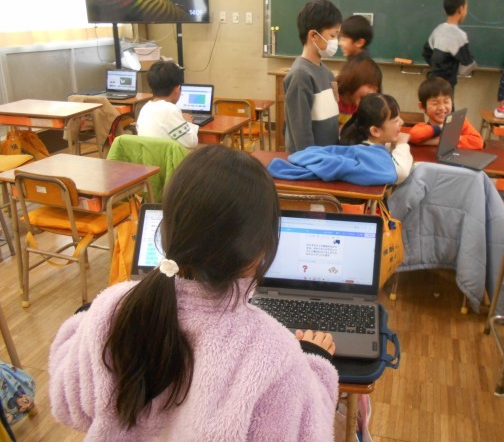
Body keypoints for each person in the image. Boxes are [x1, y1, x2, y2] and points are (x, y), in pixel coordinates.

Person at [49, 145, 339, 440]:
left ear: (168, 228)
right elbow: (310, 434)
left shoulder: (112, 309)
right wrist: (316, 364)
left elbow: (68, 406)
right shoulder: (274, 354)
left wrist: (86, 321)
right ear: (260, 250)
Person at [284, 0, 342, 153]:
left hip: (328, 157)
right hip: (312, 161)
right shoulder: (300, 75)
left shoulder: (327, 73)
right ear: (314, 35)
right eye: (332, 35)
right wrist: (312, 161)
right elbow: (301, 133)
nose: (336, 42)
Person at [340, 93, 413, 184]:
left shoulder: (376, 144)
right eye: (395, 120)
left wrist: (393, 147)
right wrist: (402, 145)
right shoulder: (367, 152)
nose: (402, 122)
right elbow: (401, 173)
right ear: (375, 131)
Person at [136, 60, 199, 149]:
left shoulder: (145, 108)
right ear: (177, 89)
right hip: (167, 157)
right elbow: (191, 142)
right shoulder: (170, 110)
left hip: (148, 156)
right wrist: (188, 123)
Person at [421, 0, 476, 91]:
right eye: (466, 8)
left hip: (431, 81)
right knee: (446, 102)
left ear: (445, 11)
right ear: (461, 9)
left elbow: (426, 52)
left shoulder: (438, 29)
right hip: (446, 86)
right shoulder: (459, 36)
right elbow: (467, 65)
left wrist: (437, 67)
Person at [408, 76, 483, 149]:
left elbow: (478, 142)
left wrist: (439, 141)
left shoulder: (460, 123)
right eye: (435, 103)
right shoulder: (423, 127)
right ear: (422, 106)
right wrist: (441, 127)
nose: (442, 108)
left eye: (446, 102)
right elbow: (413, 136)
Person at [336, 15, 383, 123]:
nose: (340, 43)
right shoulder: (355, 62)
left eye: (343, 38)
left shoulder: (363, 68)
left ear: (359, 42)